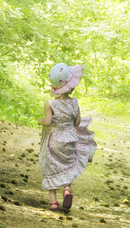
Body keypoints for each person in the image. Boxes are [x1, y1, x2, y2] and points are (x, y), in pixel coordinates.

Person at [37, 63, 97, 211]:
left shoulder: (50, 104)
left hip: (55, 139)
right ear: (71, 86)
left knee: (51, 166)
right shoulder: (75, 102)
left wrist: (40, 121)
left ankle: (53, 202)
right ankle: (66, 189)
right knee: (67, 165)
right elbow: (76, 122)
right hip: (69, 138)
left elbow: (48, 122)